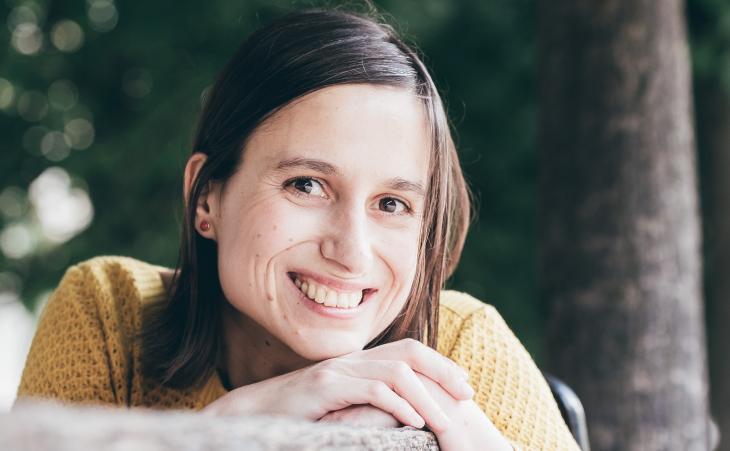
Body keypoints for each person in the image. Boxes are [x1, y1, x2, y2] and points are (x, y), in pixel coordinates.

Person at [16, 8, 579, 451]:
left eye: (391, 202)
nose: (352, 251)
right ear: (205, 196)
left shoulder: (456, 345)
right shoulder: (110, 315)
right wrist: (235, 424)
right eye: (306, 185)